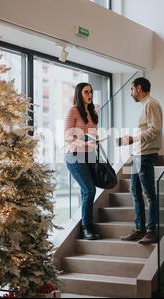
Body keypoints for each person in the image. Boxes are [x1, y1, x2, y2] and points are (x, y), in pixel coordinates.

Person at [119, 77, 163, 245]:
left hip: (145, 155)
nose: (131, 93)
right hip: (138, 154)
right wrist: (133, 141)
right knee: (135, 192)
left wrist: (133, 138)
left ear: (138, 88)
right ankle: (140, 229)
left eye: (132, 89)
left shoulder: (151, 104)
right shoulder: (146, 105)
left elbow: (155, 129)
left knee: (148, 194)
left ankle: (152, 231)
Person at [64, 83, 101, 240]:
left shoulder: (92, 113)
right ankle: (87, 228)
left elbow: (91, 134)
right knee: (89, 190)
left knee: (85, 191)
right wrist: (84, 143)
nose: (90, 94)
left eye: (91, 91)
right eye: (86, 92)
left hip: (89, 156)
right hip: (74, 156)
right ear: (79, 94)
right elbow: (67, 137)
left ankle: (84, 226)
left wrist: (95, 139)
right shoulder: (73, 111)